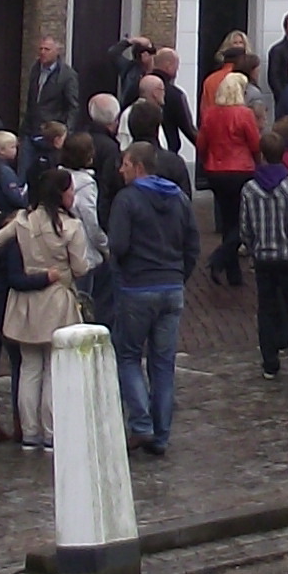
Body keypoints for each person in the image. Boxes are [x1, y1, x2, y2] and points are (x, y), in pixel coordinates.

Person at [0, 177, 91, 449]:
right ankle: (51, 431)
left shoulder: (22, 221)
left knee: (30, 368)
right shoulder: (71, 227)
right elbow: (80, 267)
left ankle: (30, 433)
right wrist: (59, 272)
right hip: (56, 300)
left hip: (24, 302)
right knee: (52, 368)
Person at [103, 142, 193, 457]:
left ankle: (141, 424)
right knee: (163, 363)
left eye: (125, 164)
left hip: (137, 288)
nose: (121, 169)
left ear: (138, 167)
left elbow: (119, 245)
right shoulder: (179, 198)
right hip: (171, 287)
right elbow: (191, 243)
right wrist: (179, 276)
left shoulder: (127, 200)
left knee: (127, 355)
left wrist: (122, 272)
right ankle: (162, 434)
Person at [238, 147, 288, 380]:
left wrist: (252, 247)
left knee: (266, 310)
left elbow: (245, 227)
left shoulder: (249, 189)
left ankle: (270, 362)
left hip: (264, 257)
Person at [199, 69, 262, 289]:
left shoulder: (210, 113)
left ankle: (233, 273)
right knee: (243, 223)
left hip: (216, 171)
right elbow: (255, 144)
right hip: (240, 170)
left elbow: (201, 144)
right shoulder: (244, 114)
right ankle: (219, 258)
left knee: (228, 220)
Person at [25, 36, 81, 136]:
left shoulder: (67, 75)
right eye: (41, 49)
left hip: (52, 132)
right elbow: (31, 101)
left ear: (57, 51)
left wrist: (67, 132)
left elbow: (73, 106)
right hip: (32, 129)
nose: (42, 52)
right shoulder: (35, 69)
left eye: (47, 49)